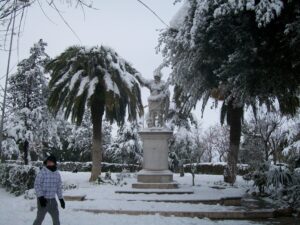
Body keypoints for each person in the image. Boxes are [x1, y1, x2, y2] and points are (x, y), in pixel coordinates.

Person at [33, 155, 65, 225]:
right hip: (43, 200)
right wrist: (41, 197)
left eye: (51, 162)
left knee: (56, 219)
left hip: (53, 201)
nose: (49, 163)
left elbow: (58, 187)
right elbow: (37, 185)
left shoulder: (57, 174)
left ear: (54, 163)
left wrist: (61, 199)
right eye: (48, 162)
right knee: (39, 218)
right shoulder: (42, 172)